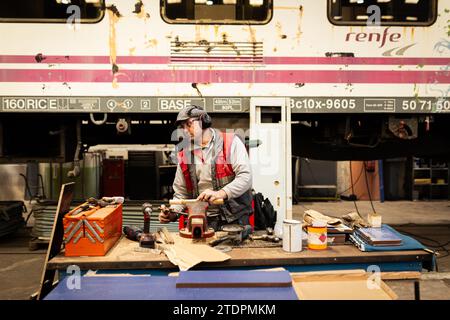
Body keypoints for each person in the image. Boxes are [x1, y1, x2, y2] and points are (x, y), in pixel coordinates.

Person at [158, 105, 253, 231]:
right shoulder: (185, 154)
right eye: (182, 127)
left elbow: (245, 177)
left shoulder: (230, 142)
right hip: (202, 220)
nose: (185, 130)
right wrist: (172, 213)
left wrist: (220, 193)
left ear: (203, 121)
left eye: (189, 124)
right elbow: (181, 193)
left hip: (234, 219)